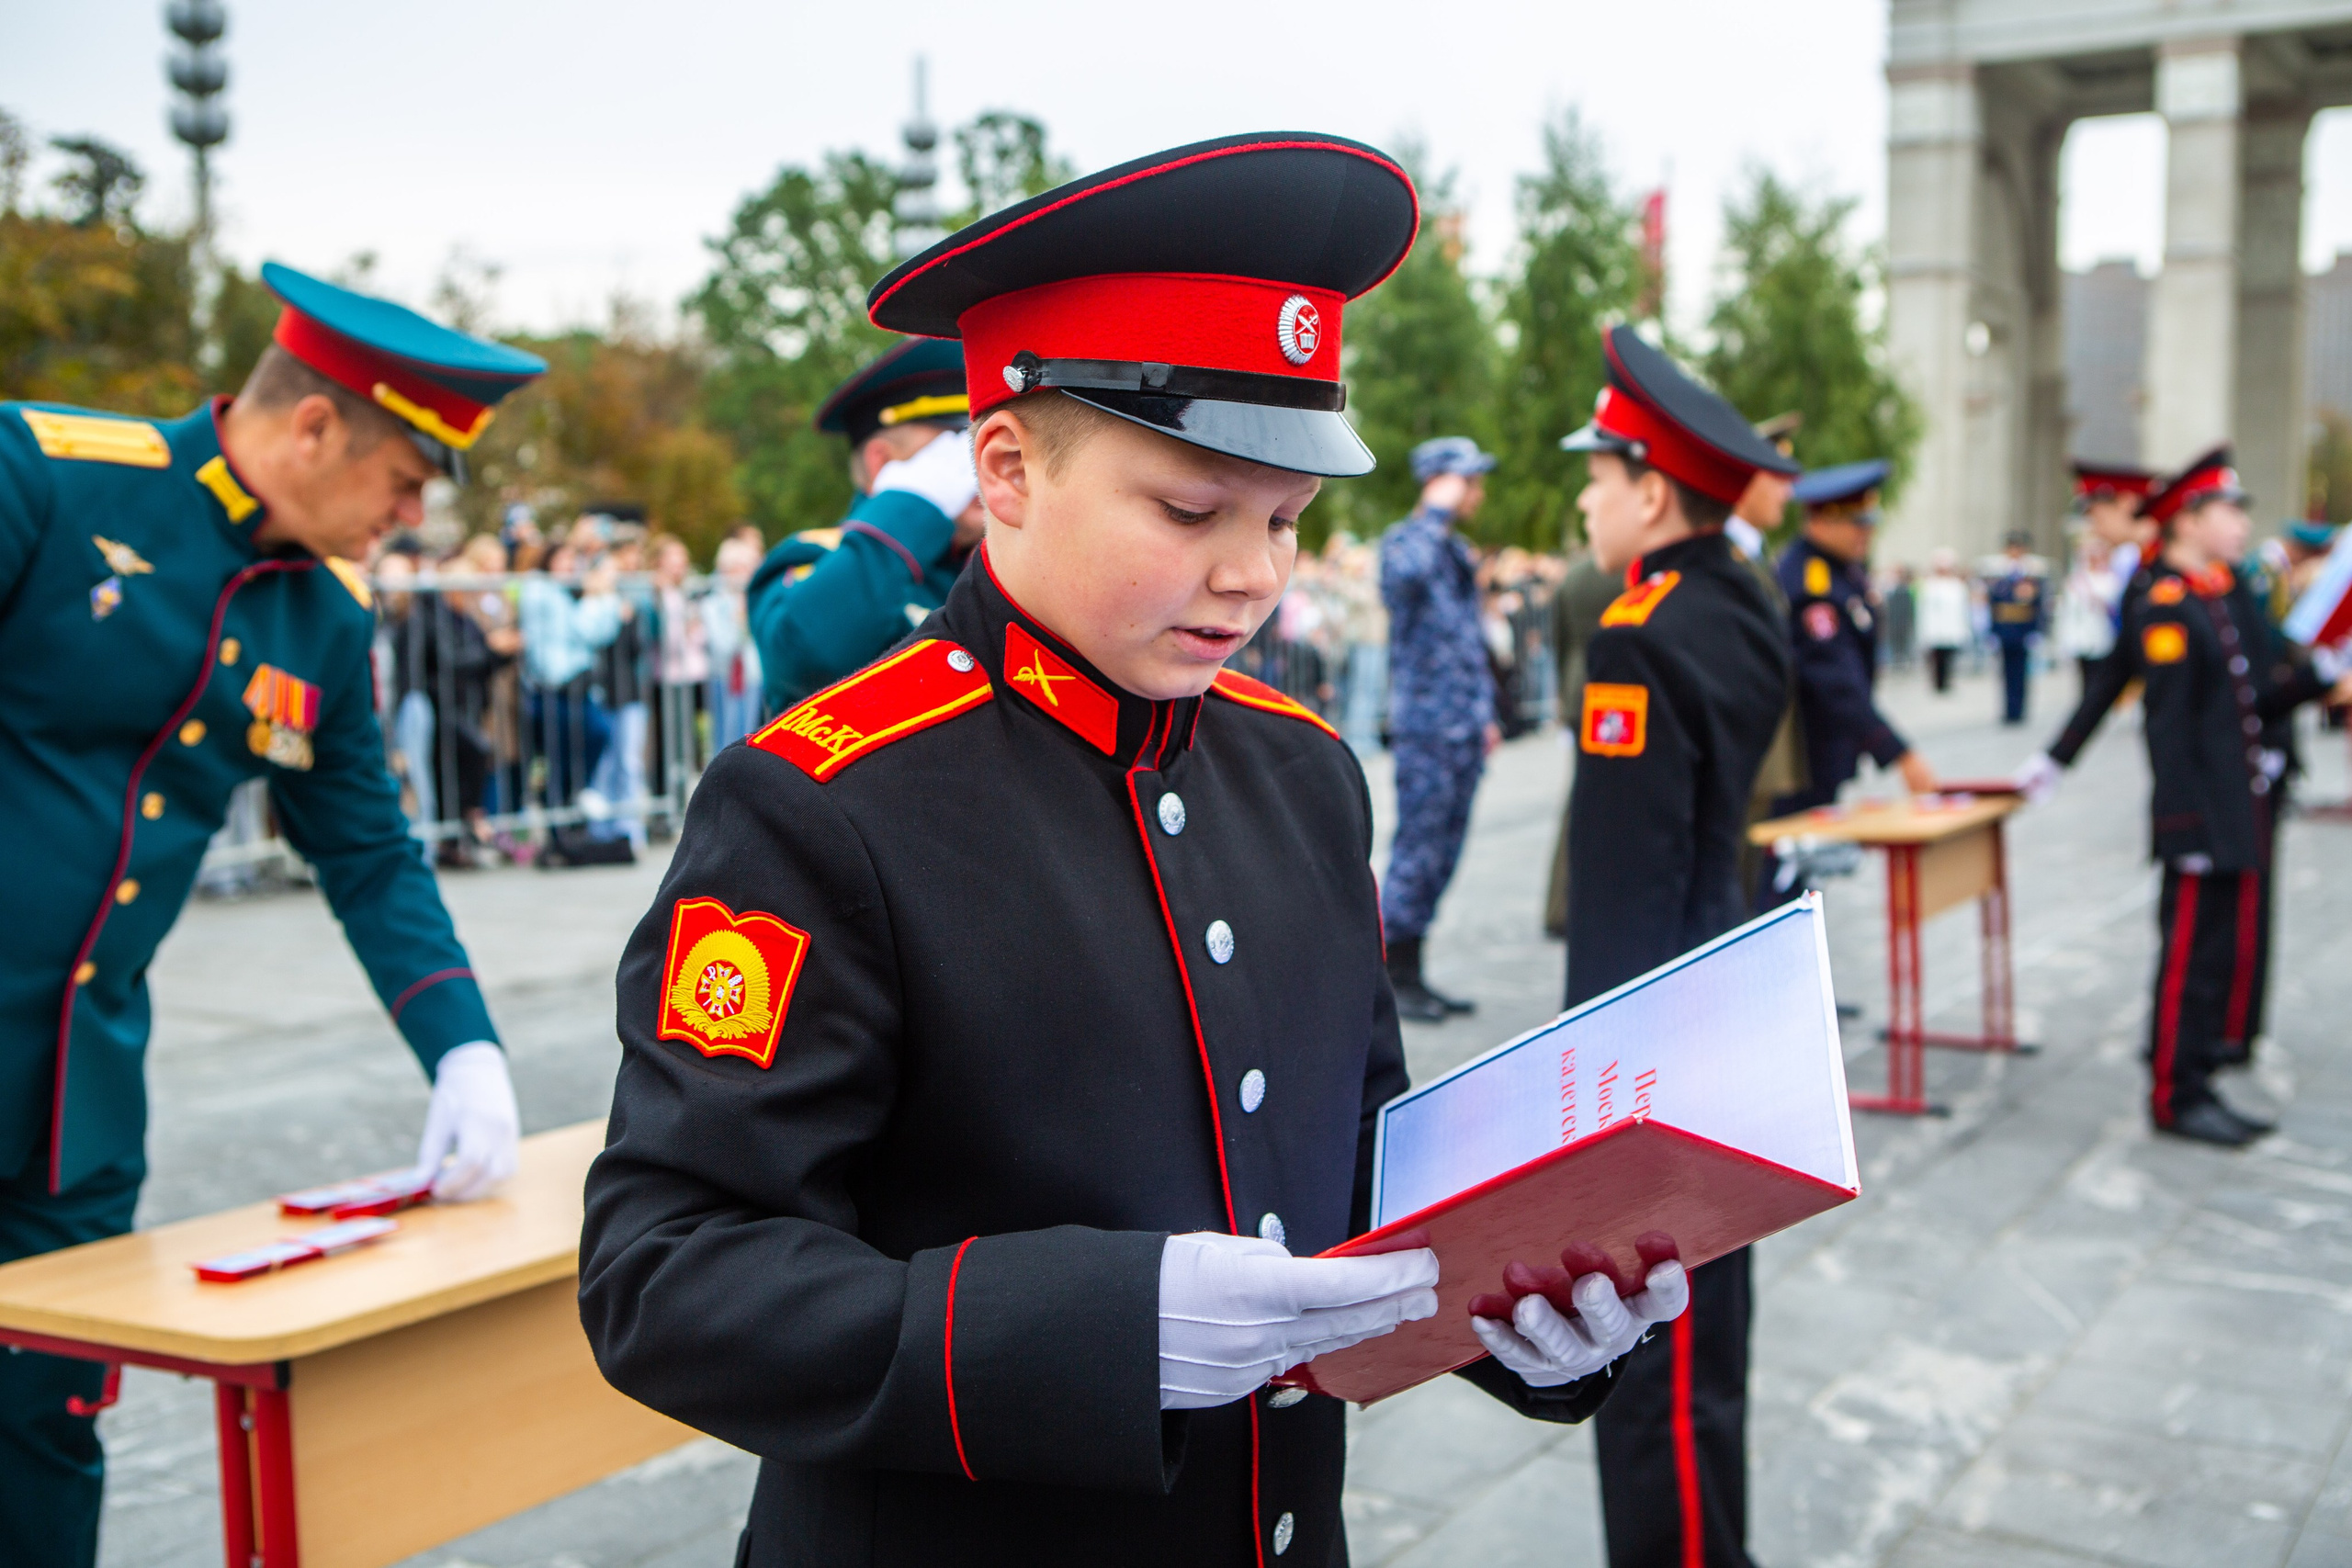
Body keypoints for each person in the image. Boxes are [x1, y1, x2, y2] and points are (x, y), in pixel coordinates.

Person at [578, 132, 1687, 1568]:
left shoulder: (1304, 773)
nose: (1254, 573)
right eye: (1190, 509)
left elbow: (1352, 1147)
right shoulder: (823, 803)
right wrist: (1104, 1328)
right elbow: (667, 1271)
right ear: (1007, 467)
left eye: (1287, 518)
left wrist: (1522, 1301)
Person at [0, 263, 531, 1562]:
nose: (411, 516)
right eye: (404, 480)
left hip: (72, 1107)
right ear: (313, 426)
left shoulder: (324, 619)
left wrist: (462, 1045)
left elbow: (370, 855)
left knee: (45, 1432)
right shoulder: (50, 479)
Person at [1558, 323, 1797, 1568]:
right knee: (1711, 1354)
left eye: (1598, 478)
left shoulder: (1638, 636)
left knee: (1658, 1363)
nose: (1585, 501)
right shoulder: (1742, 604)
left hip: (1659, 1052)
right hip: (1729, 1002)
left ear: (1651, 493)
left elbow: (1620, 902)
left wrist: (1591, 1104)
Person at [2018, 447, 2352, 1145]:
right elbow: (2168, 731)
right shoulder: (2168, 604)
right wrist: (2182, 823)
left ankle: (2201, 1072)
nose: (2242, 524)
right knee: (2188, 960)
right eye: (2229, 511)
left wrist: (2321, 677)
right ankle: (2176, 1093)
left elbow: (2253, 699)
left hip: (2235, 804)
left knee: (2217, 953)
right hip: (2201, 814)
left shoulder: (2211, 593)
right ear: (2189, 521)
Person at [747, 338, 986, 715]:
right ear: (882, 464)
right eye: (957, 446)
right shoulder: (809, 558)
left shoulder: (996, 566)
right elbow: (805, 658)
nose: (981, 464)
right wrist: (911, 505)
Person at [1766, 459, 1936, 901]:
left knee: (1804, 875)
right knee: (1782, 880)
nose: (1867, 533)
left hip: (1823, 754)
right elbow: (1834, 683)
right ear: (1820, 521)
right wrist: (1898, 753)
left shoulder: (1842, 571)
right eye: (1856, 523)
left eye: (1869, 521)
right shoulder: (1810, 581)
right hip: (1800, 759)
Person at [1379, 435, 1502, 1021]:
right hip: (1426, 729)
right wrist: (1434, 512)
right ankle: (1392, 976)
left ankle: (1413, 970)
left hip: (1461, 728)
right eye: (1468, 481)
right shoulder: (1408, 541)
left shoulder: (1454, 551)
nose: (1477, 492)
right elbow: (1403, 580)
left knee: (1443, 854)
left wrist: (1485, 715)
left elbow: (1468, 643)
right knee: (1417, 851)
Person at [1983, 529, 2049, 724]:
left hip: (2023, 628)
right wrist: (1992, 631)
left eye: (2018, 548)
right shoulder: (1998, 574)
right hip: (2005, 628)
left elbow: (2039, 606)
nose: (2014, 552)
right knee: (2005, 672)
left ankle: (2019, 710)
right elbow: (1993, 605)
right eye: (2011, 548)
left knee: (2021, 672)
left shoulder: (2031, 574)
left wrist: (2037, 630)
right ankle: (2008, 710)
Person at [1918, 546, 1971, 694]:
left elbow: (1961, 609)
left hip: (1951, 628)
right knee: (1936, 658)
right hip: (1935, 628)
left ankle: (1947, 681)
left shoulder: (1956, 585)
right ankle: (1938, 682)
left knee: (1950, 657)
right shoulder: (1929, 585)